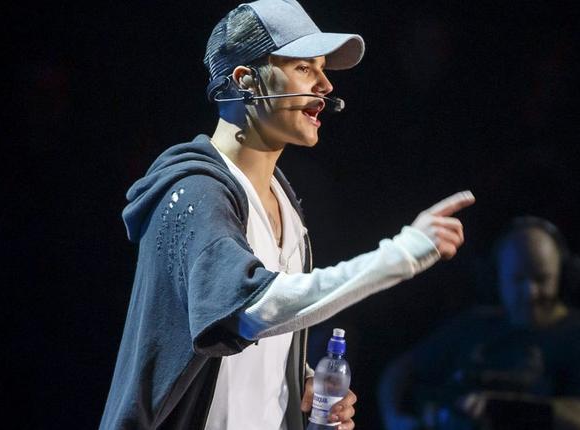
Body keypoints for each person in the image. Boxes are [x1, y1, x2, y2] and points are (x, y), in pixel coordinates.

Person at [99, 1, 475, 429]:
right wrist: (401, 254)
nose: (326, 85)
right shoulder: (194, 192)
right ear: (245, 80)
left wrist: (297, 382)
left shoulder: (287, 205)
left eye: (322, 68)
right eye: (303, 68)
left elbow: (248, 341)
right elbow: (251, 306)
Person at [378, 216, 580, 430]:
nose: (530, 292)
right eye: (518, 279)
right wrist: (395, 418)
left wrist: (500, 408)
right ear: (497, 279)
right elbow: (400, 371)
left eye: (542, 278)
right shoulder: (474, 325)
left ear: (564, 275)